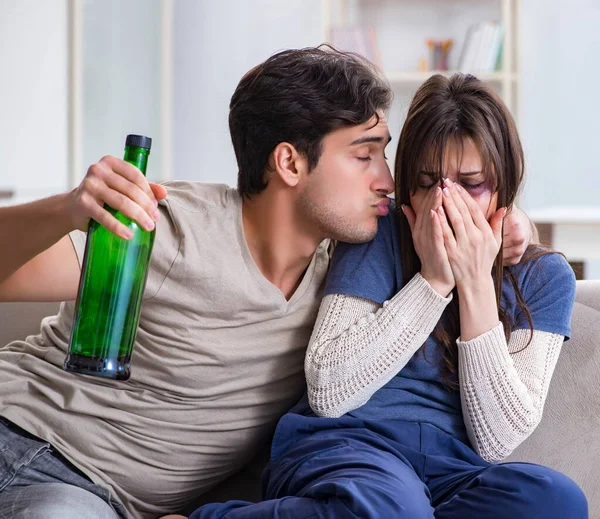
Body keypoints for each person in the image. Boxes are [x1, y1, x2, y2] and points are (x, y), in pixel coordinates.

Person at [0, 48, 535, 519]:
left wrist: (515, 226)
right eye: (364, 155)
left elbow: (457, 204)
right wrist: (67, 209)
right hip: (32, 446)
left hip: (115, 500)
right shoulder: (176, 230)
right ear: (289, 162)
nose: (387, 181)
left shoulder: (352, 262)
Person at [187, 73, 586, 519]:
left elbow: (497, 439)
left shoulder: (545, 277)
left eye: (470, 184)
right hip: (350, 445)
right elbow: (329, 391)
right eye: (427, 181)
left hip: (452, 469)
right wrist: (434, 281)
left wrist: (474, 284)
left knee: (555, 500)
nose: (444, 204)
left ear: (503, 187)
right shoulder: (380, 234)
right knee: (393, 505)